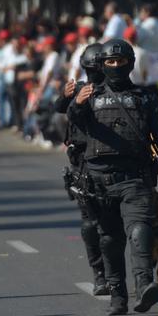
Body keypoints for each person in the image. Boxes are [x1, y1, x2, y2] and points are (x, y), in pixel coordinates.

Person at [68, 39, 158, 316]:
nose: (116, 66)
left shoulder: (145, 98)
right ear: (102, 65)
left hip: (135, 178)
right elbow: (75, 122)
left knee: (139, 229)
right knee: (109, 239)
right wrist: (77, 103)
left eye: (121, 62)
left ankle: (144, 284)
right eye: (110, 62)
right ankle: (117, 294)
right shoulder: (90, 95)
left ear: (130, 63)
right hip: (99, 181)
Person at [56, 43, 108, 295]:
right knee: (90, 223)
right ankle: (100, 275)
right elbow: (59, 108)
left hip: (115, 165)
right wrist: (69, 97)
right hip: (84, 166)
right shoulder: (80, 91)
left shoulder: (120, 92)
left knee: (121, 223)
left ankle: (137, 274)